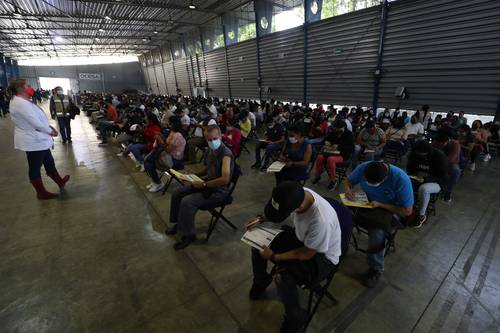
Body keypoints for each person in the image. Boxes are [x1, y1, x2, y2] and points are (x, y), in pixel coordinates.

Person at [247, 181, 341, 332]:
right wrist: (261, 219)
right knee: (258, 244)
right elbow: (277, 211)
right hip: (302, 238)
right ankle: (261, 280)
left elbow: (306, 253)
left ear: (298, 208)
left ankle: (295, 316)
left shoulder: (320, 220)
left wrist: (274, 257)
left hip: (322, 256)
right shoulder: (294, 193)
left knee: (282, 277)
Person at [343, 161, 413, 287]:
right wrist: (348, 190)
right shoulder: (365, 167)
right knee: (343, 216)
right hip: (367, 201)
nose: (370, 185)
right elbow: (348, 181)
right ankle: (342, 245)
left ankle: (376, 269)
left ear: (385, 178)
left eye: (374, 184)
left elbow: (407, 211)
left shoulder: (401, 179)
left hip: (388, 209)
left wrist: (381, 204)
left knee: (377, 232)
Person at [165, 125, 234, 249]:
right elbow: (207, 169)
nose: (212, 142)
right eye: (209, 140)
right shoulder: (210, 151)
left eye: (215, 138)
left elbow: (225, 179)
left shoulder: (226, 154)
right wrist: (192, 176)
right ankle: (180, 224)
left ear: (220, 137)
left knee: (188, 202)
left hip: (218, 190)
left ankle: (189, 235)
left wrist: (203, 184)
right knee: (177, 193)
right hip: (207, 184)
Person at [8, 79, 70, 200]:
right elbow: (35, 123)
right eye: (27, 86)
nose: (30, 87)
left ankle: (60, 182)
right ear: (20, 89)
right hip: (33, 140)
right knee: (35, 168)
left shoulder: (22, 101)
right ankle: (41, 193)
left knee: (49, 162)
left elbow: (37, 120)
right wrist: (51, 131)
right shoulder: (20, 103)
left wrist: (48, 127)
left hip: (39, 139)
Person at [406, 140, 449, 227]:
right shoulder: (414, 154)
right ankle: (406, 208)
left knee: (424, 189)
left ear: (426, 152)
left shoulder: (439, 156)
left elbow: (442, 176)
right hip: (418, 178)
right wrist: (414, 176)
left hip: (437, 182)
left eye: (419, 153)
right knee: (405, 182)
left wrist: (425, 179)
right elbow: (409, 170)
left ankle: (421, 215)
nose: (417, 155)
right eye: (416, 152)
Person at [144, 116, 186, 192]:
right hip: (168, 155)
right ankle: (155, 181)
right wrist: (161, 135)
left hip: (174, 160)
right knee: (147, 161)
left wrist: (161, 141)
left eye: (169, 123)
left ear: (173, 124)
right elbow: (167, 142)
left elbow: (168, 149)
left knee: (149, 164)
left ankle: (158, 183)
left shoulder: (178, 135)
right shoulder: (173, 132)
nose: (168, 125)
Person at [312, 120, 354, 190]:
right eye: (335, 128)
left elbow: (351, 148)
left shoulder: (348, 134)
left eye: (338, 128)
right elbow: (324, 140)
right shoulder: (333, 132)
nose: (336, 130)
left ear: (343, 127)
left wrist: (338, 147)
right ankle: (317, 176)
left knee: (330, 159)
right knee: (319, 157)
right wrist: (326, 142)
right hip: (330, 152)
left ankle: (333, 181)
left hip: (343, 155)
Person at [433, 131, 461, 203]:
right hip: (437, 161)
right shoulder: (436, 143)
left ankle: (448, 191)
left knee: (456, 170)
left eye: (441, 144)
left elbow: (451, 159)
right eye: (438, 144)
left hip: (450, 163)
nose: (439, 146)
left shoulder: (455, 144)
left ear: (447, 141)